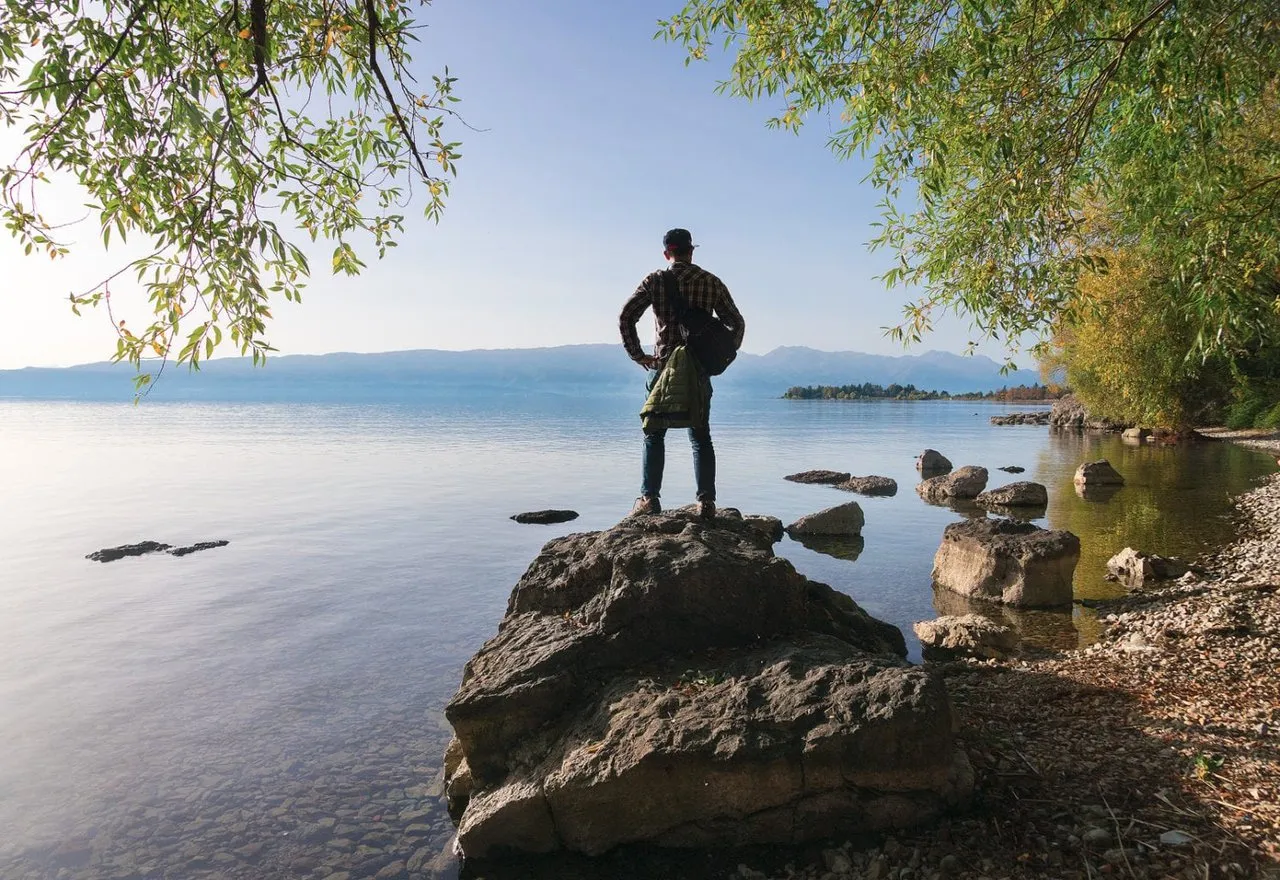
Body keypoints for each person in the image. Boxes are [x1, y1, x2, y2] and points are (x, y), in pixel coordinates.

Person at [618, 228, 745, 519]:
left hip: (662, 367)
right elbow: (736, 323)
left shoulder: (656, 281)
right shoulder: (710, 282)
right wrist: (719, 357)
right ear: (692, 251)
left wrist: (639, 356)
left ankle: (649, 500)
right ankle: (706, 503)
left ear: (667, 253)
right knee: (701, 437)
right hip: (698, 370)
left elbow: (626, 317)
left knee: (654, 434)